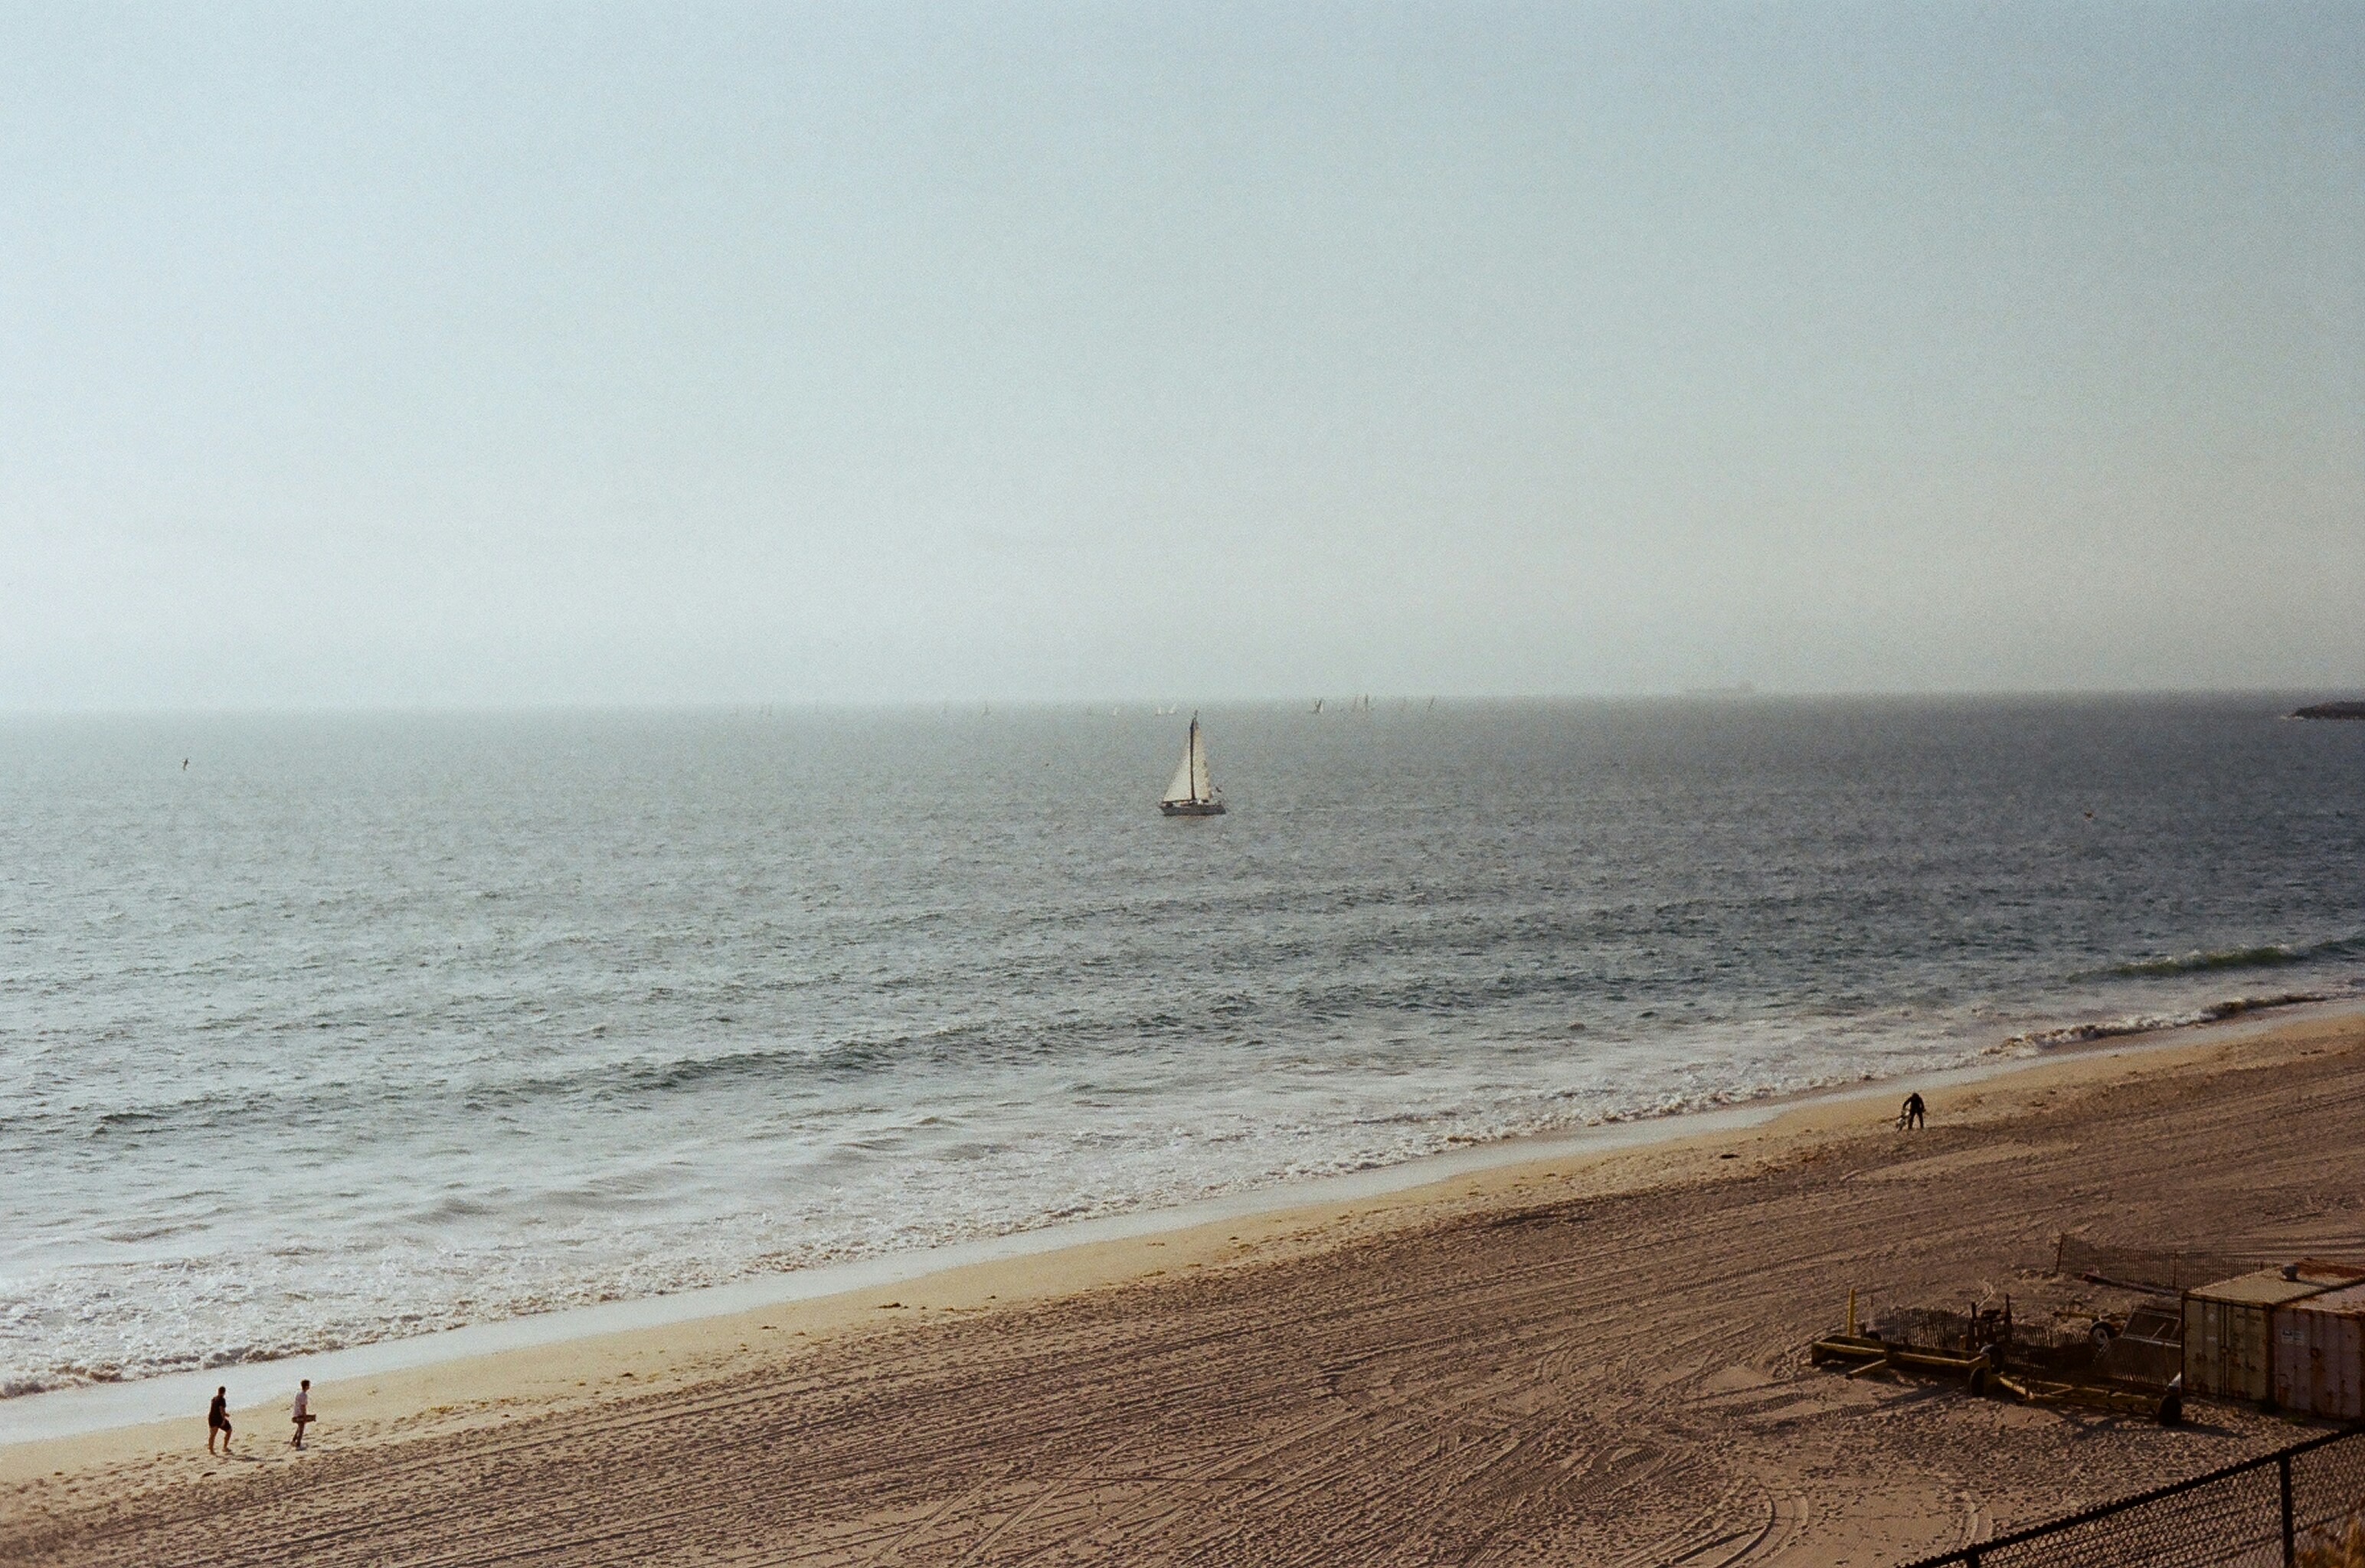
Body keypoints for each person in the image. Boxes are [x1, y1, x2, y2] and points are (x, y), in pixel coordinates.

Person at [289, 1379, 315, 1449]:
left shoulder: (298, 1393)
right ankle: (298, 1444)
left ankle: (294, 1440)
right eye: (309, 1385)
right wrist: (305, 1416)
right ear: (306, 1386)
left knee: (299, 1427)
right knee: (301, 1429)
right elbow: (303, 1406)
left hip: (296, 1412)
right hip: (300, 1413)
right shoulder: (304, 1395)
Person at [207, 1387, 232, 1454]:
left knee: (212, 1435)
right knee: (229, 1430)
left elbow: (215, 1409)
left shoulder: (214, 1399)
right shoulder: (222, 1400)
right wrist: (224, 1420)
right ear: (224, 1392)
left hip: (211, 1417)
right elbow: (221, 1410)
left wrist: (225, 1414)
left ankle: (211, 1450)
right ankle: (225, 1447)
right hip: (218, 1419)